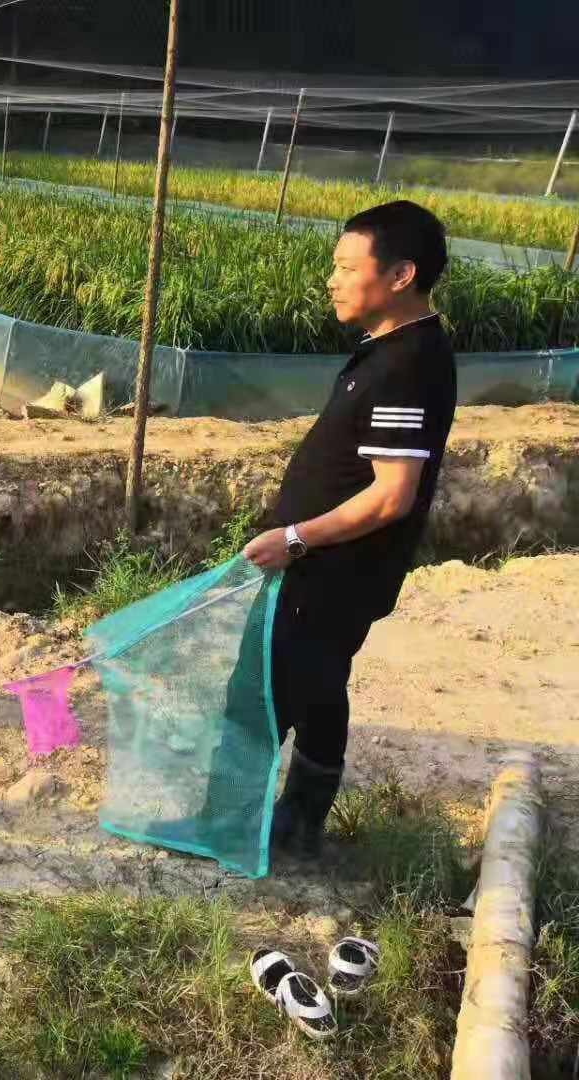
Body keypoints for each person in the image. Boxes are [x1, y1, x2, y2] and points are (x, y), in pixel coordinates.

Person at [242, 199, 456, 858]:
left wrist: (296, 538)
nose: (331, 280)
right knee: (321, 686)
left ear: (400, 276)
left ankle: (233, 823)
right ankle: (300, 823)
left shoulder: (407, 365)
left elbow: (392, 496)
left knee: (261, 697)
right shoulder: (387, 348)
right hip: (333, 571)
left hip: (331, 573)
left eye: (344, 266)